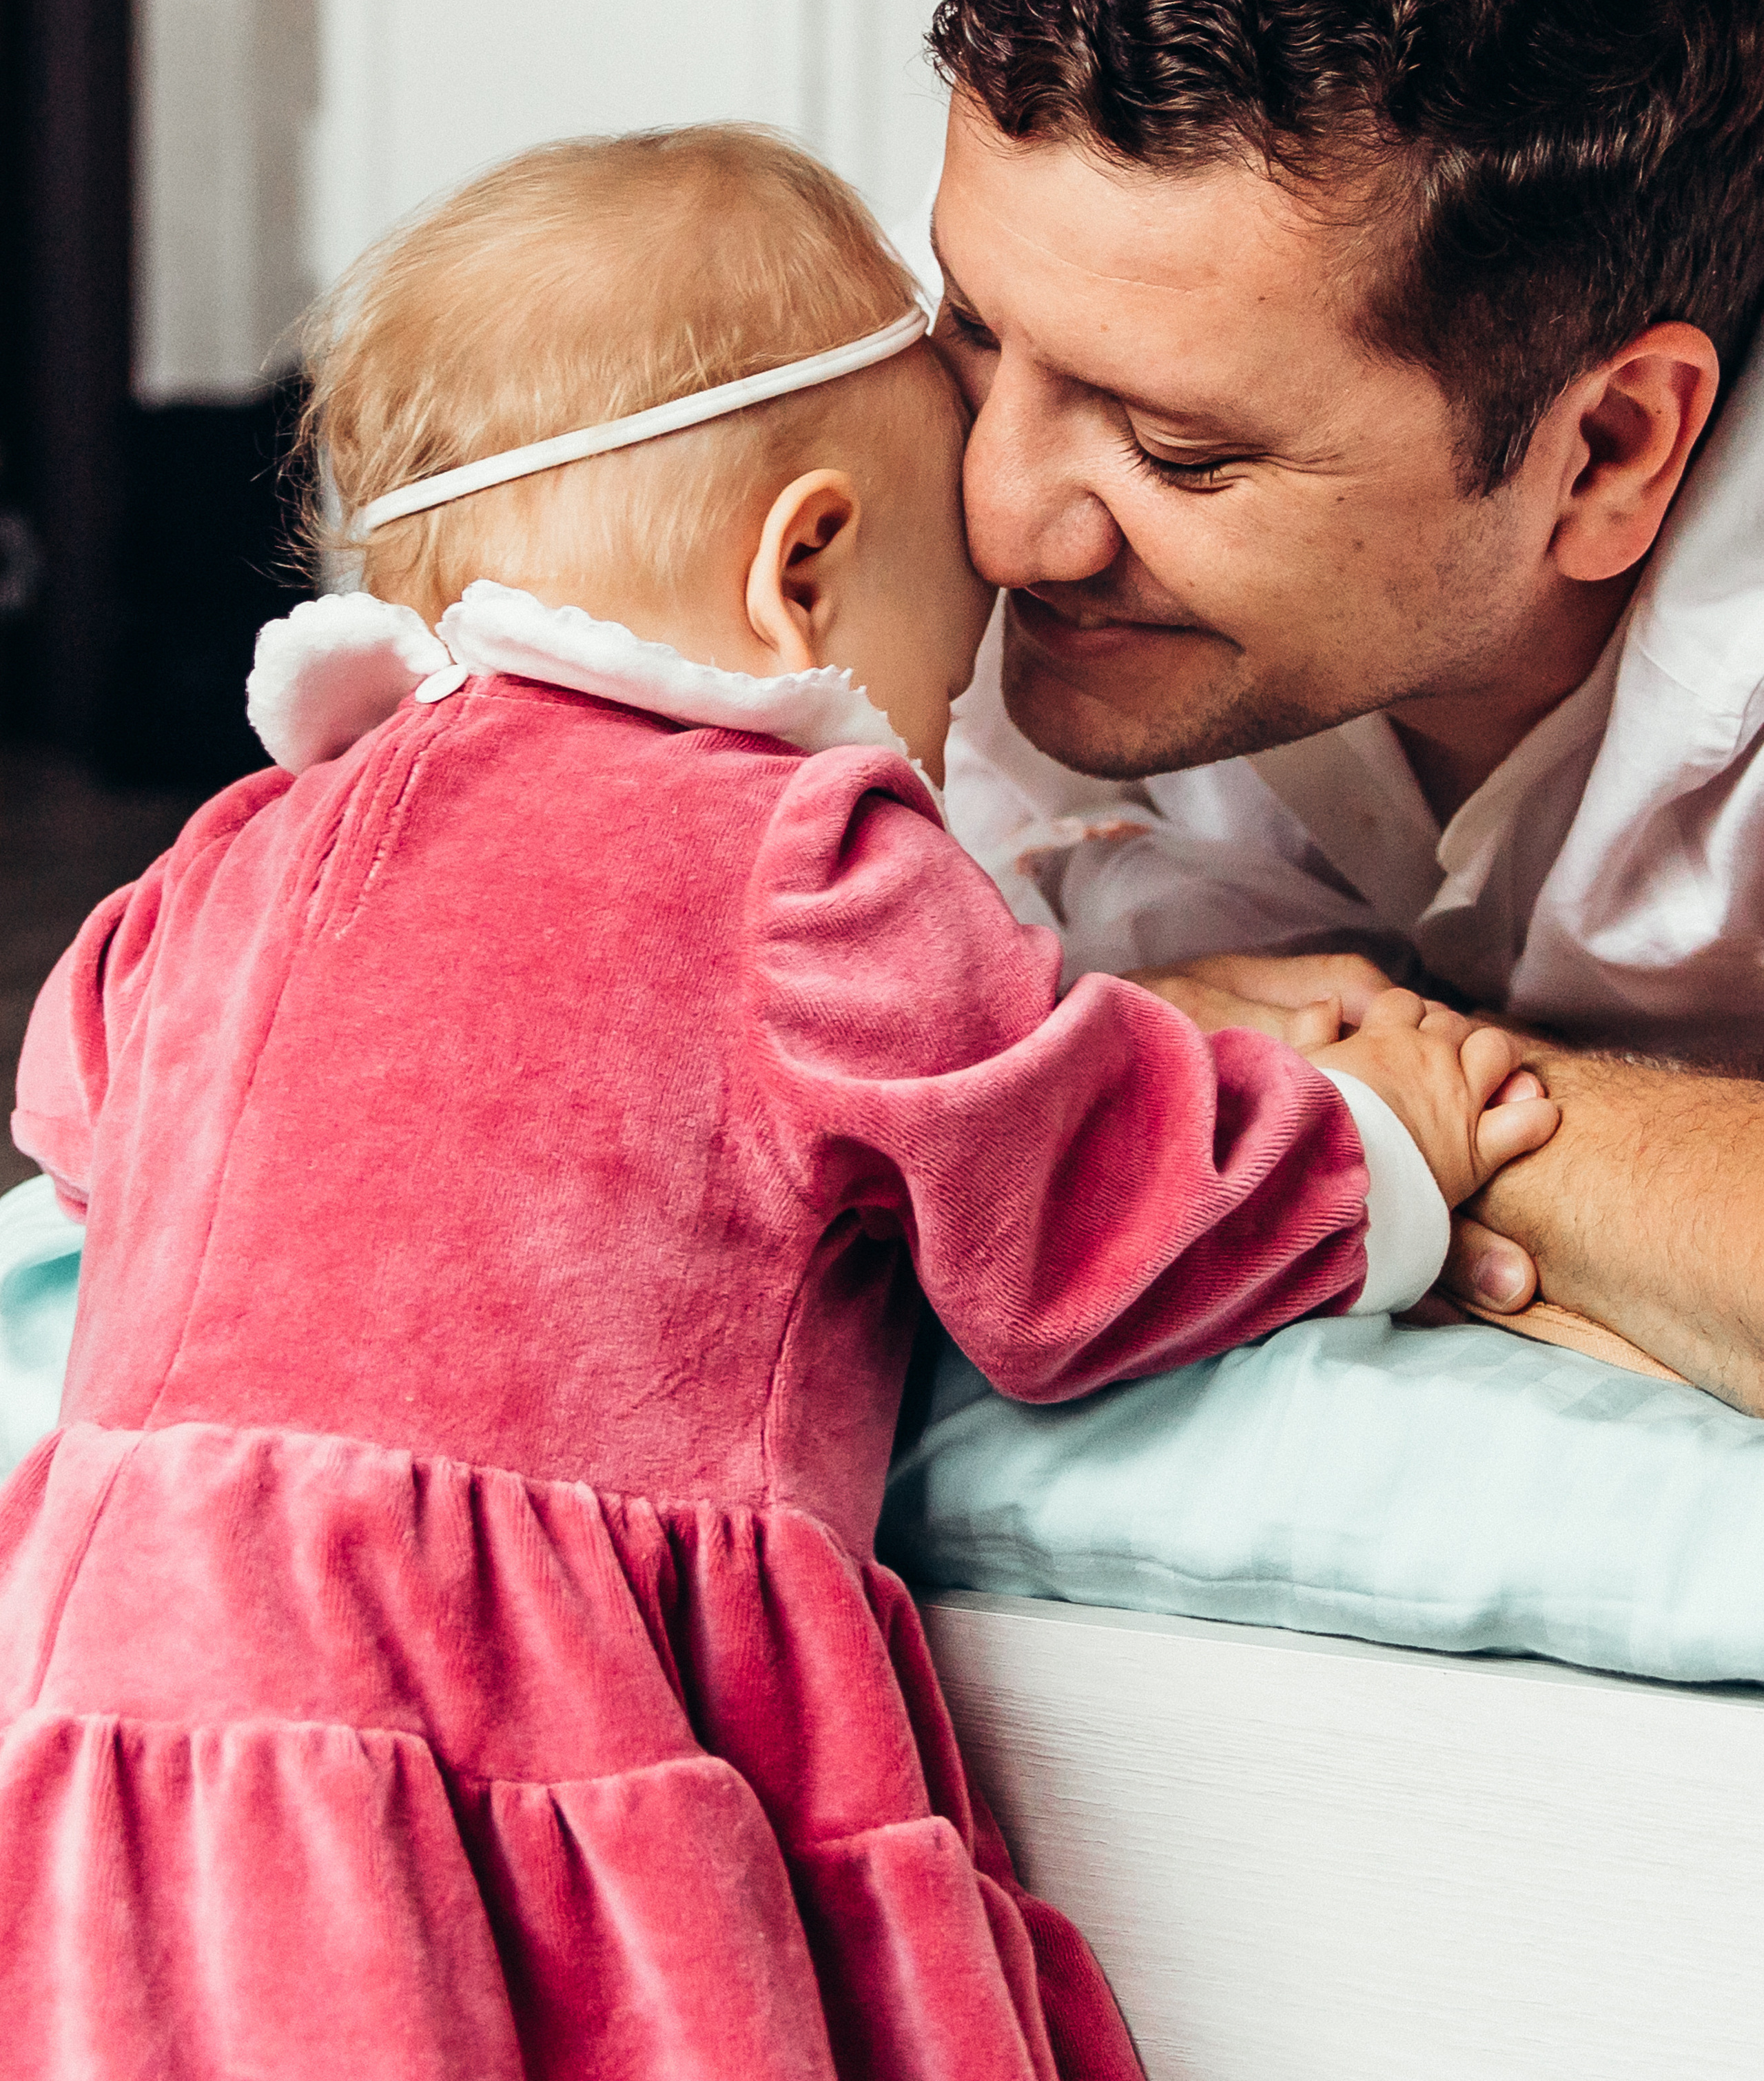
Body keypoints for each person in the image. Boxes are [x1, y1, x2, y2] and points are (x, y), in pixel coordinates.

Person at [0, 128, 1552, 2077]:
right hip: (518, 1700)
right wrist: (1386, 1146)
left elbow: (83, 1105)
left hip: (114, 1686)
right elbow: (1081, 1221)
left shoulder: (232, 853)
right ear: (803, 566)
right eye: (948, 636)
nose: (955, 721)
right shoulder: (801, 853)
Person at [908, 0, 1764, 1413]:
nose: (998, 523)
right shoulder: (920, 465)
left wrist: (1395, 1106)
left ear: (1604, 453)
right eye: (976, 330)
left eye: (1175, 451)